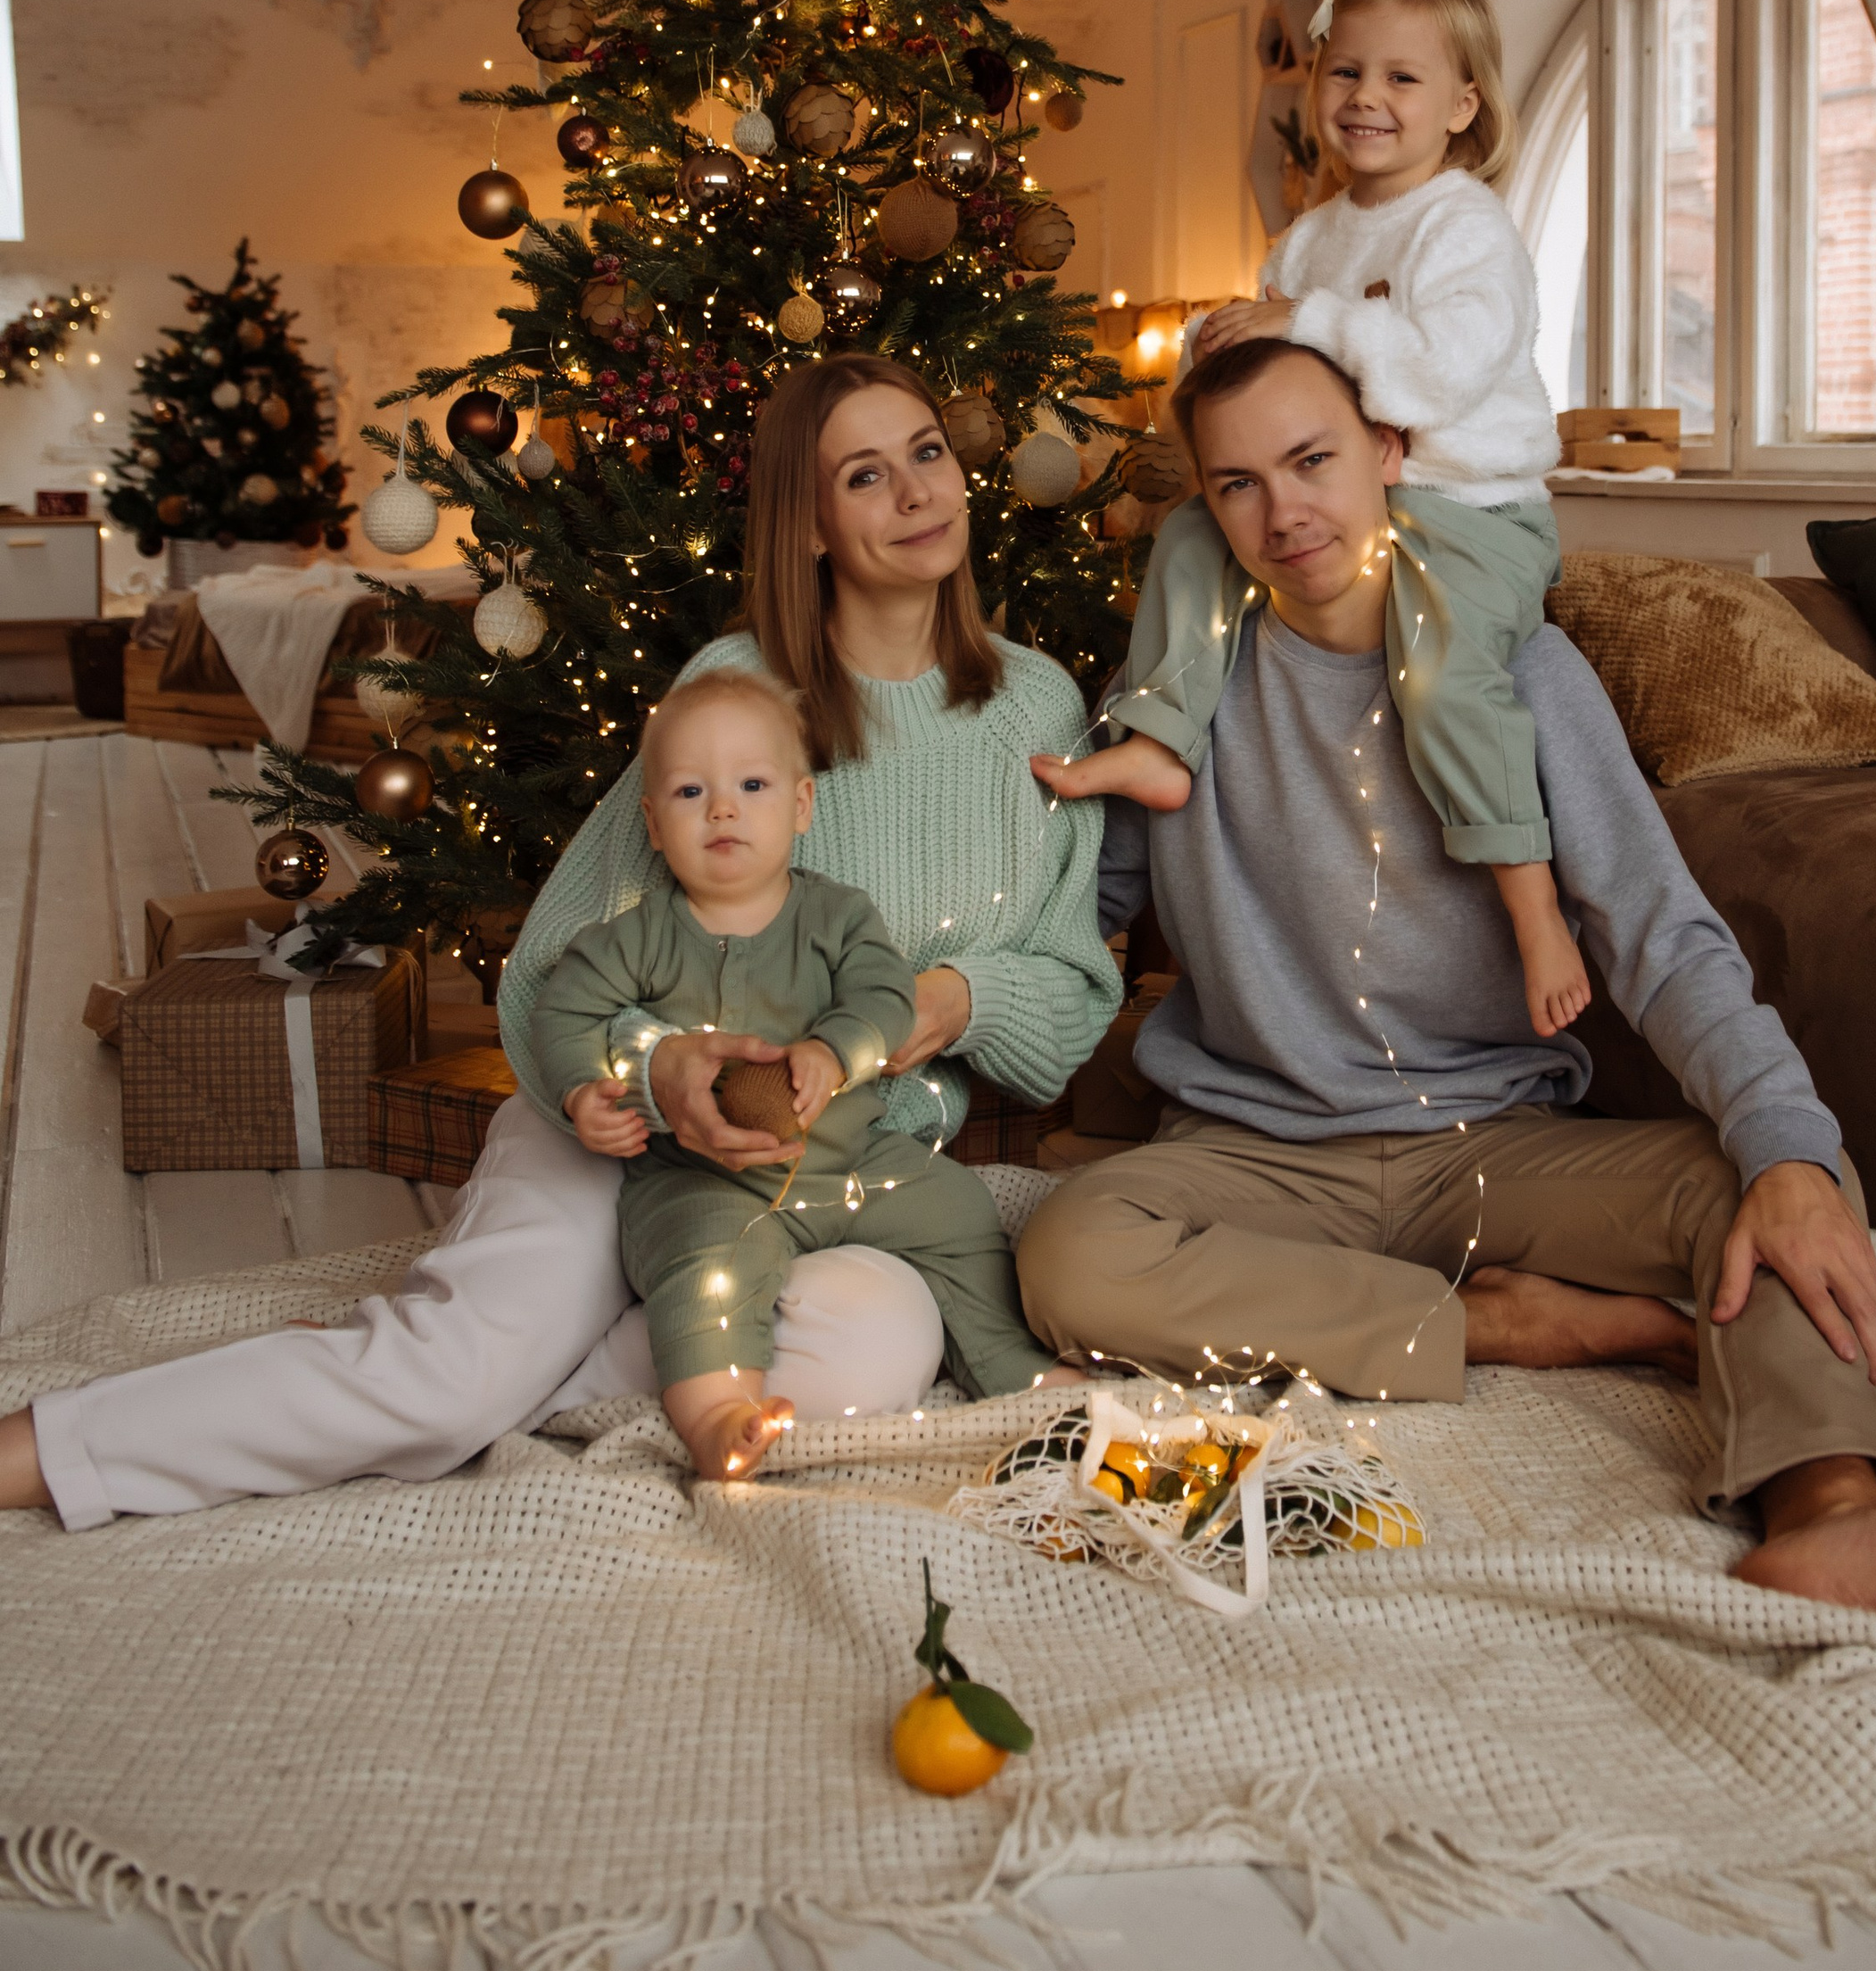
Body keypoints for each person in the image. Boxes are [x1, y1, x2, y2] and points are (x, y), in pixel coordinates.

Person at [1026, 334, 1876, 1677]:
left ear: (1390, 453)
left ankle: (1835, 1508)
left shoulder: (1525, 671)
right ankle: (1495, 1325)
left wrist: (1781, 1145)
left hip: (1495, 1145)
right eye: (1239, 482)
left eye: (1314, 460)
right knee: (1074, 1247)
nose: (1286, 511)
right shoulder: (1172, 697)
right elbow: (1075, 930)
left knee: (1783, 1177)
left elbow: (1661, 931)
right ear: (1205, 505)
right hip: (1258, 1152)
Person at [0, 359, 1120, 1526]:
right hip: (622, 1131)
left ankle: (459, 1370)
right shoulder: (737, 691)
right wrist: (652, 1066)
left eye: (928, 452)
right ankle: (71, 1442)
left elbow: (1071, 993)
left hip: (839, 1163)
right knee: (449, 1378)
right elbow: (553, 966)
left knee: (867, 1359)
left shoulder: (1038, 709)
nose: (915, 493)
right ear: (808, 525)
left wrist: (951, 998)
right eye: (865, 473)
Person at [1058, 0, 1588, 1038]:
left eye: (1402, 77)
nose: (1365, 97)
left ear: (1462, 106)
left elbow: (1434, 375)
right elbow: (1281, 385)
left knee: (1441, 677)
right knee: (1195, 537)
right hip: (1359, 498)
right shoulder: (1306, 240)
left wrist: (1307, 322)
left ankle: (1531, 905)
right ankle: (1160, 735)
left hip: (1468, 506)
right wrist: (1227, 338)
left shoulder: (1465, 227)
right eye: (1345, 70)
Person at [535, 673, 1063, 1481]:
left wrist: (834, 1051)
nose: (722, 808)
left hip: (849, 1160)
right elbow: (562, 1010)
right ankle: (719, 1415)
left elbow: (886, 995)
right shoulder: (636, 937)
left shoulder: (836, 916)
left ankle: (1013, 1367)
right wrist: (582, 1090)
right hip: (706, 1176)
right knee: (706, 1265)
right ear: (652, 821)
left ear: (801, 806)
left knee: (958, 1208)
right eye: (689, 790)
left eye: (752, 785)